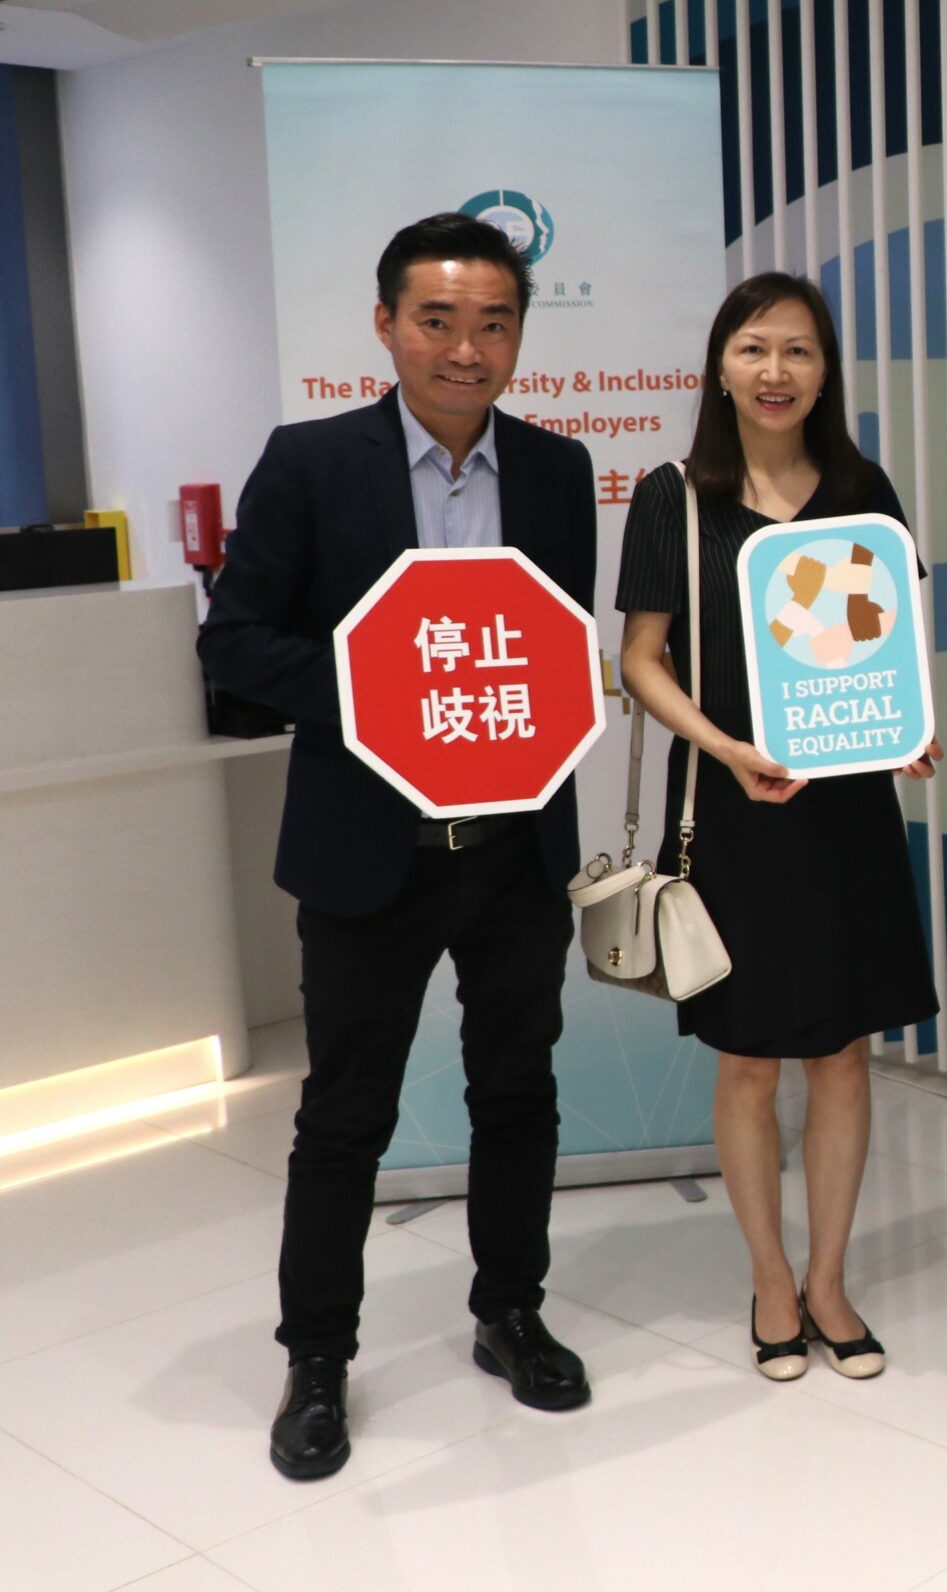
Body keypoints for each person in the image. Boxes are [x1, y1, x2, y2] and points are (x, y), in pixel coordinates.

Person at [200, 212, 599, 1481]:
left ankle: (509, 1312)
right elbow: (234, 647)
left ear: (519, 335)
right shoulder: (312, 464)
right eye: (438, 320)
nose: (466, 349)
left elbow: (551, 649)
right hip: (370, 848)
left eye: (493, 323)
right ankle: (317, 1359)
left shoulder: (553, 467)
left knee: (518, 1090)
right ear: (386, 326)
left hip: (516, 847)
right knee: (345, 1115)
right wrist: (376, 681)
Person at [616, 273, 942, 1383]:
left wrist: (904, 727)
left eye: (797, 351)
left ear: (824, 370)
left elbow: (886, 647)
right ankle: (768, 1277)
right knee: (751, 1060)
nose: (775, 371)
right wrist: (726, 747)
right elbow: (639, 662)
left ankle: (831, 1280)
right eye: (754, 348)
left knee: (843, 1053)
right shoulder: (675, 494)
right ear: (720, 365)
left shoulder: (862, 489)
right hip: (734, 808)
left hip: (845, 808)